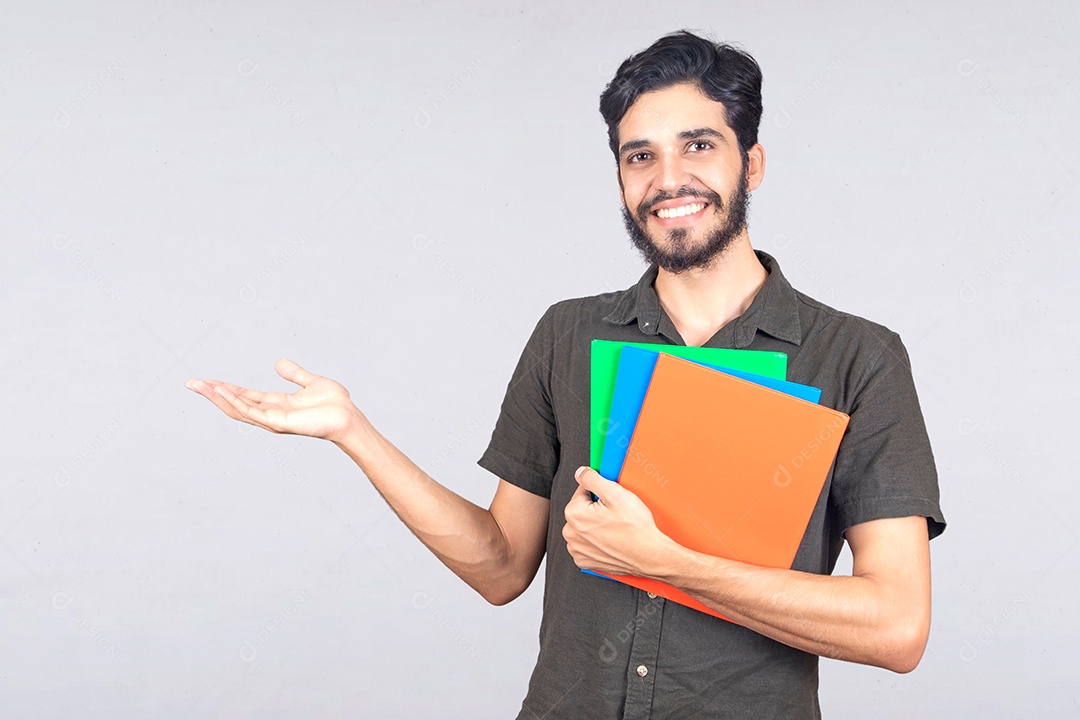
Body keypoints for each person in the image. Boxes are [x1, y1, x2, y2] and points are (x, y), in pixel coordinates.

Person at [186, 30, 946, 719]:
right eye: (640, 156)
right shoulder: (568, 335)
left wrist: (671, 566)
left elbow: (897, 627)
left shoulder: (857, 357)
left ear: (751, 163)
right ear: (620, 179)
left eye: (698, 146)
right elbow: (500, 566)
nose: (669, 178)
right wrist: (354, 433)